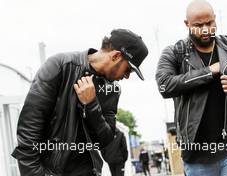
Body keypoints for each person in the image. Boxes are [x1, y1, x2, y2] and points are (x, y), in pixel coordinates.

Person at [12, 29, 148, 176]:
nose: (126, 76)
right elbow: (27, 136)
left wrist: (91, 105)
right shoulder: (60, 66)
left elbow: (105, 140)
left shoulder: (112, 89)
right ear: (115, 56)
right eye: (128, 69)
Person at [155, 0, 227, 175]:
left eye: (210, 23)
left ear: (215, 19)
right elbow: (164, 85)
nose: (205, 29)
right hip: (197, 154)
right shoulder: (175, 53)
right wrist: (208, 72)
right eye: (198, 25)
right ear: (187, 24)